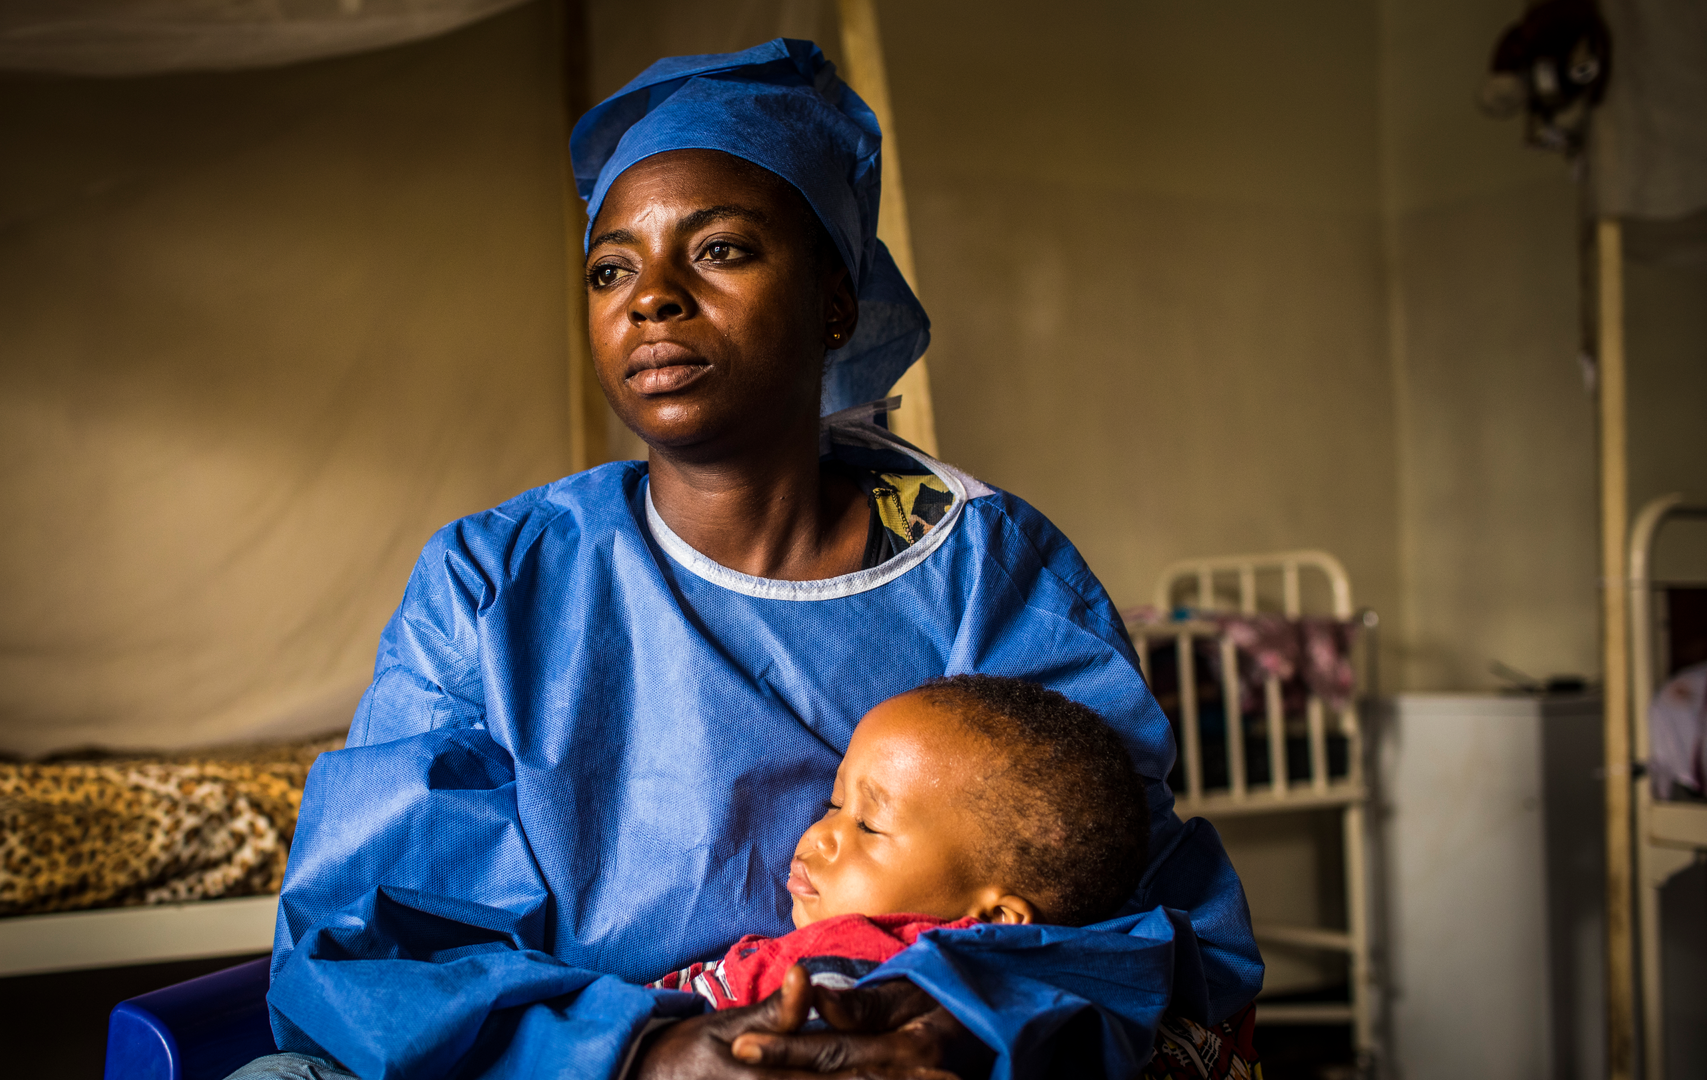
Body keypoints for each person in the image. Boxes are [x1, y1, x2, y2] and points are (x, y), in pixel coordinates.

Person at [231, 39, 1260, 1080]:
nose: (652, 298)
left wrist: (945, 1024)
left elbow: (1128, 905)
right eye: (610, 267)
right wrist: (648, 1053)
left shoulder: (987, 570)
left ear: (833, 303)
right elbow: (365, 947)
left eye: (719, 249)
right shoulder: (495, 583)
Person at [648, 674, 1154, 1015]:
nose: (820, 836)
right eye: (834, 804)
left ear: (995, 921)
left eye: (869, 826)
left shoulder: (844, 972)